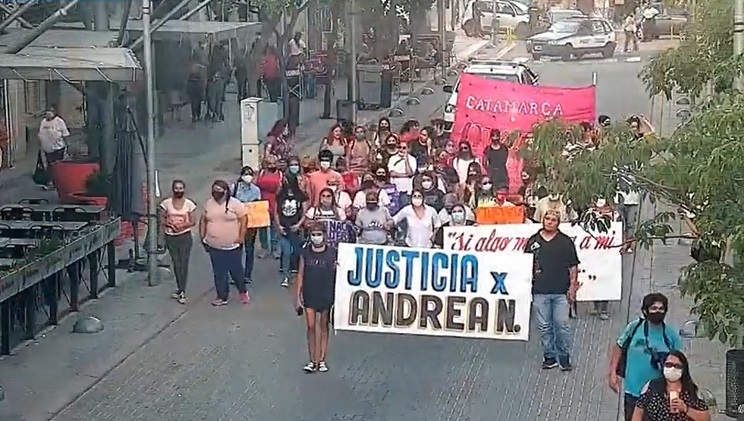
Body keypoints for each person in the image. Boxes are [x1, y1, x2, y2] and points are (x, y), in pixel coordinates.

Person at [609, 293, 683, 421]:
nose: (657, 312)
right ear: (645, 311)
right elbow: (619, 347)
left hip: (659, 395)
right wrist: (612, 373)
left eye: (661, 309)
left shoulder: (671, 335)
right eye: (653, 308)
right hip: (633, 392)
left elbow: (679, 364)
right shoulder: (634, 328)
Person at [524, 210, 580, 371]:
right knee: (544, 326)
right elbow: (525, 264)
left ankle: (564, 356)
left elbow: (573, 266)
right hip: (539, 291)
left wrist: (572, 286)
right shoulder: (533, 241)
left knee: (562, 325)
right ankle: (549, 356)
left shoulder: (565, 242)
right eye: (547, 218)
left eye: (553, 220)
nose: (549, 222)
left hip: (561, 291)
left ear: (558, 223)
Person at [199, 180, 250, 306]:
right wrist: (202, 236)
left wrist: (241, 237)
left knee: (236, 271)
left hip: (232, 245)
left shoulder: (235, 204)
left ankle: (242, 291)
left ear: (226, 191)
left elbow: (244, 220)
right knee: (219, 272)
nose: (216, 192)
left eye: (219, 189)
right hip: (214, 245)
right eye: (214, 189)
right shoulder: (209, 204)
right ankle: (222, 296)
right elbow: (203, 220)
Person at [295, 221, 337, 373]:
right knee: (311, 326)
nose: (316, 237)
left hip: (326, 292)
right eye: (313, 234)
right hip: (310, 292)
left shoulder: (332, 253)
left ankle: (322, 359)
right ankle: (313, 359)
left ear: (324, 235)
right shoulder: (305, 253)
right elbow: (300, 274)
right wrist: (297, 296)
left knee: (324, 325)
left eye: (319, 234)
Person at [631, 351, 710, 421]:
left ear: (683, 369)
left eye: (677, 366)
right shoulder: (652, 385)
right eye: (668, 365)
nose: (672, 368)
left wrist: (686, 409)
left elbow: (705, 418)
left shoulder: (691, 389)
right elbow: (638, 411)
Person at [159, 180, 197, 304]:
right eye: (176, 188)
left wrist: (182, 226)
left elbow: (193, 221)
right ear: (173, 189)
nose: (178, 190)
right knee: (176, 263)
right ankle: (179, 287)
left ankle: (182, 290)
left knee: (184, 263)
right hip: (171, 237)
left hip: (185, 236)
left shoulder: (189, 204)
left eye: (181, 188)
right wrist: (170, 225)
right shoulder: (166, 204)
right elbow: (162, 219)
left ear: (184, 189)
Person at [276, 174, 308, 287]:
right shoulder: (280, 195)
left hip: (296, 228)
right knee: (286, 252)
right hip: (284, 228)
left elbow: (305, 212)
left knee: (296, 252)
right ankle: (286, 276)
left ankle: (297, 274)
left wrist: (299, 225)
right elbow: (276, 212)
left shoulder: (301, 195)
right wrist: (279, 226)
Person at [231, 167, 262, 284]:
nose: (248, 176)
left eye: (250, 174)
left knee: (249, 249)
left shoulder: (256, 190)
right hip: (237, 223)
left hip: (251, 223)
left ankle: (247, 275)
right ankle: (236, 274)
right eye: (245, 174)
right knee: (236, 250)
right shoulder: (234, 188)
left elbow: (258, 206)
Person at [255, 156, 283, 259]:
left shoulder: (280, 174)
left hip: (275, 201)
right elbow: (255, 185)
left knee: (275, 227)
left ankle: (275, 248)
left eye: (274, 163)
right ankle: (264, 248)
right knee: (262, 227)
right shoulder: (261, 173)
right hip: (262, 202)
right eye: (269, 163)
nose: (272, 166)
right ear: (265, 164)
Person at [38, 107, 69, 171]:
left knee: (57, 166)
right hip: (47, 149)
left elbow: (65, 134)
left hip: (57, 149)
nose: (48, 113)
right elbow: (40, 133)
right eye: (47, 111)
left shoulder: (59, 121)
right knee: (49, 166)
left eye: (50, 111)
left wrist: (67, 147)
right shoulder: (43, 122)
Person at [387, 140, 417, 206]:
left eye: (404, 148)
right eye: (399, 147)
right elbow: (392, 174)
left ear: (408, 149)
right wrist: (405, 175)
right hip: (394, 190)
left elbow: (410, 173)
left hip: (406, 190)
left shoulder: (412, 159)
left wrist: (406, 161)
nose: (401, 150)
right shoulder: (392, 158)